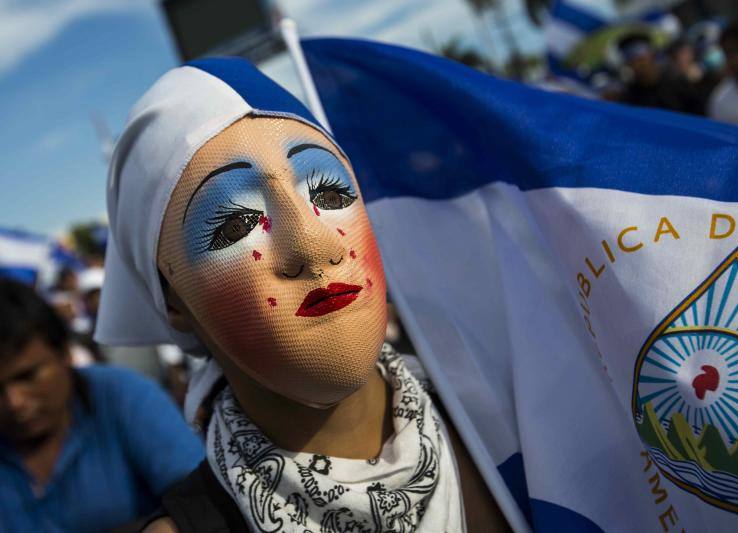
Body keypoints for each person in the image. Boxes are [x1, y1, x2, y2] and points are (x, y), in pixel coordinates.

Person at [94, 57, 508, 532]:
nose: (313, 246)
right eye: (235, 224)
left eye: (329, 195)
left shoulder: (513, 421)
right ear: (172, 301)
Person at [0, 278, 204, 532]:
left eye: (28, 376)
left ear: (65, 354)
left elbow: (202, 503)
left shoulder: (122, 396)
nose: (14, 402)